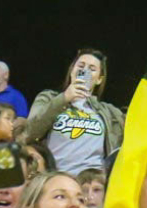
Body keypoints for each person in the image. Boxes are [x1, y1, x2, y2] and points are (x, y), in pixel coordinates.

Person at [21, 49, 126, 177]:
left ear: (99, 79)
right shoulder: (49, 98)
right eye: (81, 66)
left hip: (92, 182)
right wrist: (64, 98)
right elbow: (30, 131)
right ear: (72, 70)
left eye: (92, 69)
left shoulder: (109, 112)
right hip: (57, 178)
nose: (85, 71)